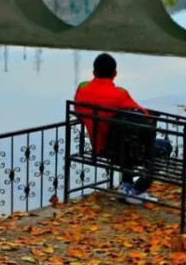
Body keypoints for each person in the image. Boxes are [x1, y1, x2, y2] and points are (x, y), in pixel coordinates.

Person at [74, 53, 172, 204]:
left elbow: (78, 113)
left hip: (99, 146)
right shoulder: (119, 94)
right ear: (115, 74)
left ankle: (126, 185)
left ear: (93, 73)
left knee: (125, 137)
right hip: (118, 149)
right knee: (164, 146)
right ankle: (137, 191)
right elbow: (145, 117)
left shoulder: (82, 89)